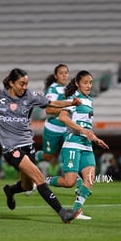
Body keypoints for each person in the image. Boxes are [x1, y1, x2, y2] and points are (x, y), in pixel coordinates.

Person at [0, 61, 81, 223]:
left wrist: (70, 103)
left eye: (26, 84)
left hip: (28, 146)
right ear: (11, 83)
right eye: (21, 83)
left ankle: (10, 191)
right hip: (11, 149)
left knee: (26, 185)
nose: (24, 87)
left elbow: (51, 103)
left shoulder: (29, 96)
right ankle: (62, 213)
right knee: (39, 177)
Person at [46, 70, 109, 220]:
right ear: (77, 83)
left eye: (90, 82)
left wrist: (94, 137)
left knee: (89, 179)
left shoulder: (90, 100)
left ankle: (75, 211)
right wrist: (83, 130)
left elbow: (85, 125)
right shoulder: (75, 99)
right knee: (69, 182)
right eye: (85, 82)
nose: (88, 85)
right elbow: (62, 117)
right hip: (73, 143)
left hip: (86, 145)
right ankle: (42, 181)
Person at [35, 64, 70, 163]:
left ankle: (74, 177)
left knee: (73, 153)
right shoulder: (52, 89)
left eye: (66, 73)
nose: (64, 75)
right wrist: (69, 109)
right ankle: (33, 157)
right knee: (48, 156)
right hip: (53, 129)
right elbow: (49, 110)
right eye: (61, 73)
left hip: (67, 129)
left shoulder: (69, 89)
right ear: (56, 76)